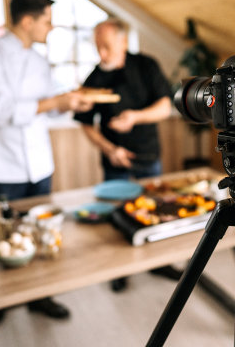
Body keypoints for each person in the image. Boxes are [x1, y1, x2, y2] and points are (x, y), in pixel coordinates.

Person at [0, 0, 93, 325]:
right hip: (3, 165)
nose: (50, 29)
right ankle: (5, 298)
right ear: (27, 21)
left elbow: (47, 108)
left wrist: (67, 102)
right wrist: (54, 103)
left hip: (39, 162)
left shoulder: (38, 61)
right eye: (47, 22)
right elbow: (0, 112)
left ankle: (41, 295)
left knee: (42, 231)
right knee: (8, 235)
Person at [73, 18, 172, 290]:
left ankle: (158, 262)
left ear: (123, 41)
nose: (101, 54)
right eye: (97, 47)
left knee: (155, 208)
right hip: (114, 160)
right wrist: (110, 149)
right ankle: (120, 270)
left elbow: (165, 107)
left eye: (106, 46)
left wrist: (135, 117)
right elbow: (85, 125)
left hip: (148, 155)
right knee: (118, 216)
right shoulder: (93, 79)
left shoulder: (146, 65)